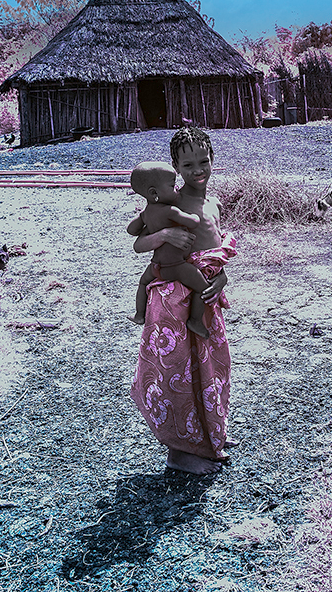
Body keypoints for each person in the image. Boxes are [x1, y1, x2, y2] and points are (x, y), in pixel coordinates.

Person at [129, 127, 237, 475]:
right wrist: (164, 234)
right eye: (188, 165)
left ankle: (210, 432)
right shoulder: (170, 203)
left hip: (205, 295)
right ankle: (180, 452)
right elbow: (140, 244)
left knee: (211, 366)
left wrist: (222, 277)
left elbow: (214, 251)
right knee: (179, 371)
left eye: (203, 161)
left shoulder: (213, 203)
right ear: (175, 167)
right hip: (175, 299)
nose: (198, 170)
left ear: (213, 160)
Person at [126, 161, 212, 339]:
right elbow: (194, 222)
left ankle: (139, 314)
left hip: (155, 266)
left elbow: (131, 230)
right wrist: (195, 214)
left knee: (143, 283)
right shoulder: (171, 211)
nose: (177, 188)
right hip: (175, 266)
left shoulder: (146, 213)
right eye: (172, 186)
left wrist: (144, 219)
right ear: (154, 193)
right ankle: (195, 320)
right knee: (203, 287)